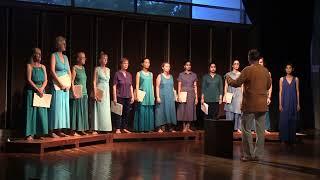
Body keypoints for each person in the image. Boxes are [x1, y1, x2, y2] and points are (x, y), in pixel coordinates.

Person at [226, 49, 271, 161]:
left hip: (250, 105)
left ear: (249, 58)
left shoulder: (247, 70)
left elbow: (235, 83)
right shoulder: (265, 71)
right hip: (261, 105)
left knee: (246, 129)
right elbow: (268, 85)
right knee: (260, 132)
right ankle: (258, 155)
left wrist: (227, 76)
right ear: (258, 58)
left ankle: (248, 155)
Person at [24, 48, 48, 140]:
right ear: (34, 55)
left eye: (40, 54)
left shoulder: (43, 67)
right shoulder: (29, 66)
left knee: (41, 112)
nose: (39, 56)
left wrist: (41, 88)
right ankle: (30, 133)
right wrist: (37, 89)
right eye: (38, 54)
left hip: (41, 90)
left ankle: (39, 132)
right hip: (32, 90)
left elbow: (46, 80)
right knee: (31, 112)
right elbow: (29, 79)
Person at [49, 36, 71, 138]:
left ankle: (60, 130)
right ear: (58, 44)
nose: (65, 45)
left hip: (65, 86)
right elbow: (52, 71)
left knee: (63, 108)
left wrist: (69, 84)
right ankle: (52, 130)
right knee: (56, 107)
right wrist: (60, 84)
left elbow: (69, 71)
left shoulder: (66, 58)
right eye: (63, 43)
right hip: (57, 85)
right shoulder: (54, 55)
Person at [279, 63, 300, 145]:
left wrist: (298, 103)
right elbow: (280, 92)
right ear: (285, 69)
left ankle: (292, 139)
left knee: (292, 120)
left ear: (292, 69)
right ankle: (284, 139)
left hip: (293, 101)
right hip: (284, 101)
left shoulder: (296, 79)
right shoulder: (281, 79)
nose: (288, 69)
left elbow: (297, 91)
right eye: (287, 68)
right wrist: (280, 104)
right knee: (284, 120)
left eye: (290, 68)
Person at [113, 58, 134, 134]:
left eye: (127, 63)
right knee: (119, 112)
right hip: (120, 96)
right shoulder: (117, 74)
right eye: (124, 63)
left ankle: (124, 127)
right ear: (121, 64)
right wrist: (115, 97)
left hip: (128, 96)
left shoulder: (129, 74)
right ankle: (118, 128)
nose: (126, 65)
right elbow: (114, 86)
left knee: (127, 112)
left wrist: (132, 96)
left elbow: (131, 86)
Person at [92, 51, 112, 133]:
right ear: (100, 60)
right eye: (104, 59)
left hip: (106, 90)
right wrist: (95, 92)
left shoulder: (108, 69)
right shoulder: (97, 69)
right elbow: (94, 81)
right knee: (98, 108)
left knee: (106, 109)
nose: (105, 60)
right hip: (99, 89)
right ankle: (96, 128)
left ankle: (105, 127)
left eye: (106, 59)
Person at [70, 52, 89, 136]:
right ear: (78, 59)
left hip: (84, 93)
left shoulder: (84, 68)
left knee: (83, 112)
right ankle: (74, 130)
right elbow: (72, 81)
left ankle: (81, 129)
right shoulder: (74, 68)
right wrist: (73, 91)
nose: (84, 59)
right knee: (76, 111)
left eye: (85, 58)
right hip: (77, 92)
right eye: (83, 57)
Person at [134, 58, 155, 132]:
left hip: (149, 94)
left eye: (148, 62)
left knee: (149, 110)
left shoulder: (151, 74)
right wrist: (136, 95)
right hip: (142, 94)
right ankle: (141, 128)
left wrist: (153, 95)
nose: (147, 64)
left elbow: (152, 85)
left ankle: (149, 128)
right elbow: (137, 85)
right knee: (142, 111)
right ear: (142, 64)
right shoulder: (139, 73)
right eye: (146, 62)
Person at [155, 62, 177, 133]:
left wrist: (175, 96)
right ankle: (160, 127)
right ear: (163, 67)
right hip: (162, 96)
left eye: (169, 66)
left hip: (170, 97)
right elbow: (157, 87)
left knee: (170, 111)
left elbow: (172, 87)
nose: (168, 68)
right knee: (161, 111)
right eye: (166, 66)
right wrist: (158, 96)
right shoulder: (160, 76)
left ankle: (170, 127)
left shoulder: (171, 76)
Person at [177, 60, 198, 132]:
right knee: (183, 110)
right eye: (187, 65)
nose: (188, 66)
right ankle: (184, 127)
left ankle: (188, 126)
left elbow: (195, 86)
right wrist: (178, 95)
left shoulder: (194, 75)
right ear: (184, 66)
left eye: (189, 65)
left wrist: (196, 97)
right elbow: (179, 85)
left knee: (190, 110)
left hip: (191, 93)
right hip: (183, 93)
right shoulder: (181, 74)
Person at [224, 60, 243, 133]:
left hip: (238, 93)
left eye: (238, 64)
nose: (236, 65)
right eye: (235, 64)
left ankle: (238, 128)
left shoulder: (241, 74)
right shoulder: (228, 75)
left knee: (238, 111)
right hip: (230, 93)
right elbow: (226, 85)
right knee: (229, 110)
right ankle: (229, 128)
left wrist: (243, 96)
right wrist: (225, 95)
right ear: (232, 65)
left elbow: (242, 86)